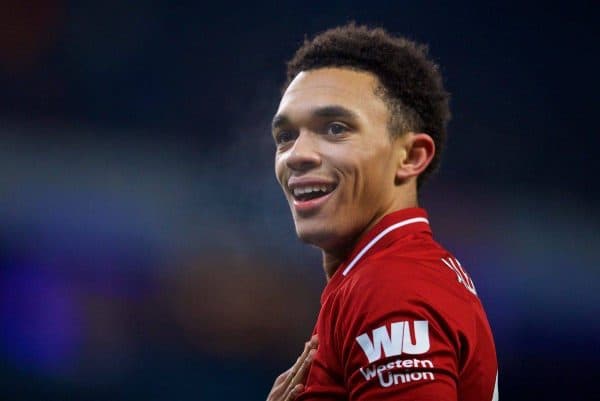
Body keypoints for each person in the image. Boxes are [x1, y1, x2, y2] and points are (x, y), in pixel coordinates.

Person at [266, 23, 498, 401]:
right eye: (285, 136)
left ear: (410, 157)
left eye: (336, 128)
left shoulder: (391, 284)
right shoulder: (390, 271)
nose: (296, 154)